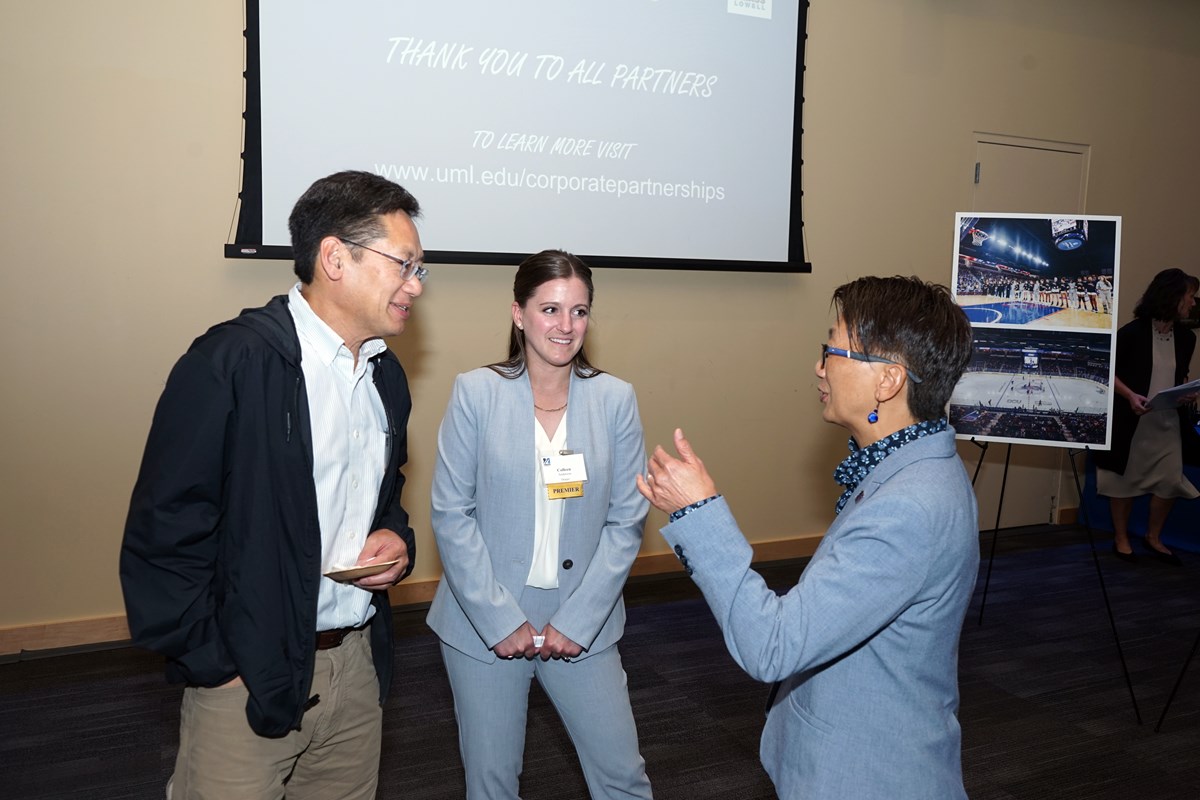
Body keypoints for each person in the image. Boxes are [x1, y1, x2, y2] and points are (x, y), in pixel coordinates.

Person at [120, 170, 427, 799]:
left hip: (355, 665)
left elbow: (385, 496)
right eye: (405, 264)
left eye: (420, 269)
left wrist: (395, 541)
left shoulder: (385, 378)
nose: (416, 286)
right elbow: (164, 532)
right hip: (246, 678)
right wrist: (217, 669)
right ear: (335, 257)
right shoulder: (230, 364)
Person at [637, 275, 978, 799]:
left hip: (869, 776)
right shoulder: (906, 468)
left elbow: (773, 646)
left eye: (832, 349)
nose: (818, 367)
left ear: (887, 381)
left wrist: (700, 512)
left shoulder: (909, 505)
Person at [427, 249, 654, 800]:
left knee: (622, 776)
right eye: (550, 309)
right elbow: (450, 513)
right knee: (493, 782)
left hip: (584, 619)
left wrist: (579, 619)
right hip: (483, 622)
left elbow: (627, 519)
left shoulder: (614, 400)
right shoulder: (475, 393)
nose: (565, 325)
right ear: (519, 313)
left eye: (579, 311)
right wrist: (496, 617)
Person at [1093, 267, 1199, 565]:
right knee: (1123, 483)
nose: (1193, 303)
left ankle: (1153, 537)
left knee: (1169, 482)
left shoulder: (1187, 338)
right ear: (1174, 297)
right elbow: (1105, 371)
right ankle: (1122, 538)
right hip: (1132, 422)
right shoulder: (1131, 333)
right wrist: (1130, 396)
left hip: (1167, 423)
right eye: (1191, 296)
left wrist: (1186, 393)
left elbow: (1178, 375)